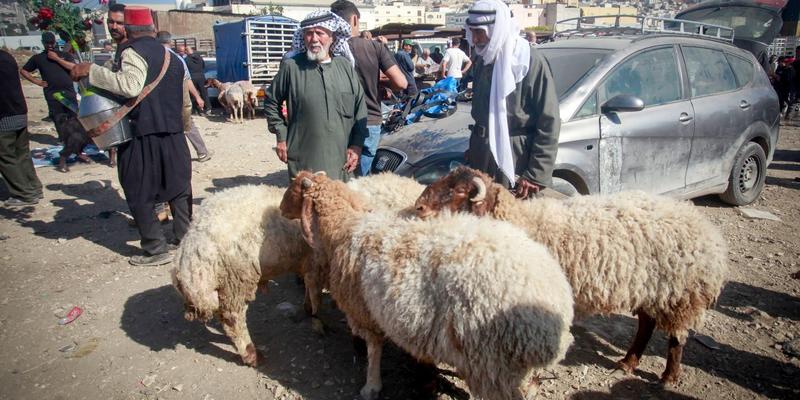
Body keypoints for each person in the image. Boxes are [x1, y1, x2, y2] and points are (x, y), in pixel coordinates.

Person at [70, 6, 191, 267]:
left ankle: (156, 248)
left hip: (141, 135)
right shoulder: (172, 57)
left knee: (138, 192)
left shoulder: (132, 51)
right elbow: (184, 102)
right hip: (173, 134)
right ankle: (185, 239)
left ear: (130, 30)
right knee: (179, 189)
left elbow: (130, 85)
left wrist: (92, 70)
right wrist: (184, 129)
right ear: (151, 29)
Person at [464, 0, 560, 199]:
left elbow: (549, 121)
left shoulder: (529, 62)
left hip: (516, 156)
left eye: (478, 32)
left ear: (495, 29)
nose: (474, 39)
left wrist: (535, 174)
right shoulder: (484, 59)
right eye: (471, 31)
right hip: (482, 153)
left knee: (512, 219)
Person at [264, 10, 367, 181]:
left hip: (342, 158)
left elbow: (360, 108)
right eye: (308, 34)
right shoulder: (292, 67)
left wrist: (356, 145)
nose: (314, 39)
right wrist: (281, 136)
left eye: (320, 33)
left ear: (332, 37)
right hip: (304, 158)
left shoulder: (345, 67)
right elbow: (271, 101)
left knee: (338, 203)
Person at [331, 0, 407, 176]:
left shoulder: (328, 49)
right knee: (361, 182)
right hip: (369, 119)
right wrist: (379, 82)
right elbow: (401, 83)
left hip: (337, 123)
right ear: (355, 20)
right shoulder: (374, 47)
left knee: (337, 177)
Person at [156, 31, 211, 162]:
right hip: (178, 98)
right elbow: (186, 80)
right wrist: (197, 97)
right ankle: (202, 152)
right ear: (169, 42)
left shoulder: (151, 57)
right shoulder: (178, 59)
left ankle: (165, 157)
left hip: (157, 100)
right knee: (188, 124)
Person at [1, 49, 43, 207]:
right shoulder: (7, 57)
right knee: (22, 153)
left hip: (4, 116)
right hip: (19, 111)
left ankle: (23, 193)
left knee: (6, 156)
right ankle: (34, 187)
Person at [19, 32, 77, 123]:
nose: (50, 45)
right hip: (52, 94)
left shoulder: (65, 55)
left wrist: (57, 59)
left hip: (69, 93)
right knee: (59, 120)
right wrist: (37, 81)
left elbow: (74, 67)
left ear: (55, 42)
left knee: (74, 119)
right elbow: (23, 71)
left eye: (52, 43)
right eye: (47, 43)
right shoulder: (38, 58)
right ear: (43, 42)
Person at [181, 45, 209, 115]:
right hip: (201, 77)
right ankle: (207, 108)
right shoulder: (199, 57)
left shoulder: (186, 59)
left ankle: (196, 110)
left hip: (192, 78)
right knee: (204, 93)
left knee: (194, 94)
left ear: (186, 51)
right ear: (192, 50)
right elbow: (203, 66)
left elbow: (185, 69)